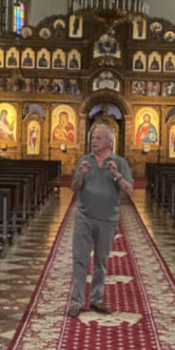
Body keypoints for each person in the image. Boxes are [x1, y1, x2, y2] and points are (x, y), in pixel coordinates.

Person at [67, 125, 134, 318]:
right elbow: (73, 188)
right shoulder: (84, 160)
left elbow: (129, 190)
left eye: (97, 138)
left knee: (100, 261)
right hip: (84, 217)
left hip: (107, 219)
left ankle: (96, 300)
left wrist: (116, 175)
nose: (93, 141)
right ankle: (77, 301)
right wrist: (81, 174)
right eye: (93, 138)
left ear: (109, 142)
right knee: (80, 260)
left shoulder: (119, 162)